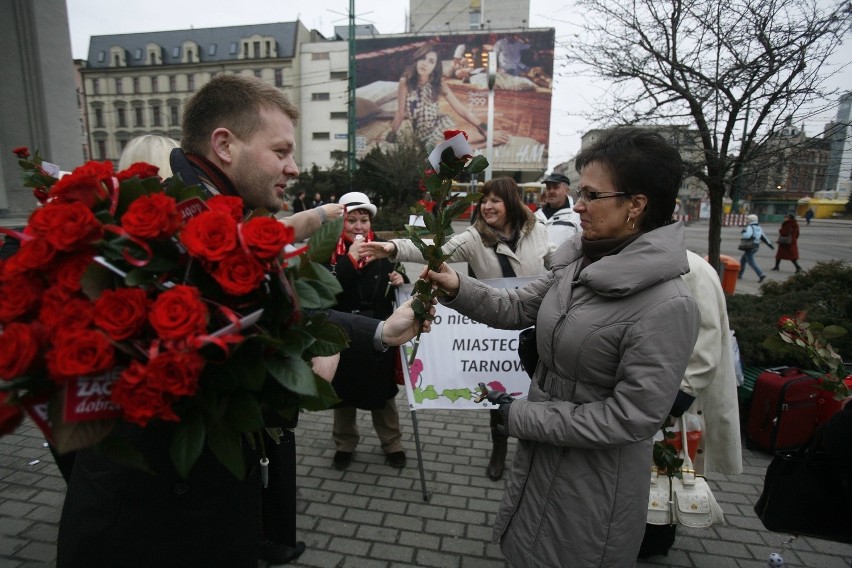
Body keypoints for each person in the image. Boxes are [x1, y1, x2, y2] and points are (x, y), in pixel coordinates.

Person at [57, 74, 434, 568]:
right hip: (155, 531)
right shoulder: (166, 228)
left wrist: (380, 331)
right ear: (225, 145)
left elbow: (283, 314)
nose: (295, 168)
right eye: (280, 151)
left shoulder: (222, 215)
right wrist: (291, 369)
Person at [421, 126, 700, 567]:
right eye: (580, 192)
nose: (578, 205)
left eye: (591, 195)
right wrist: (457, 285)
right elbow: (515, 307)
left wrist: (524, 415)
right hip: (542, 460)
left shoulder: (669, 304)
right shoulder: (579, 262)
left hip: (592, 487)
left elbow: (631, 418)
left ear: (636, 205)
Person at [362, 177, 555, 481]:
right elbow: (434, 249)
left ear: (512, 202)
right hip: (498, 327)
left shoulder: (539, 231)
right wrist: (392, 248)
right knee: (502, 391)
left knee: (539, 390)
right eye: (484, 200)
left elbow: (557, 263)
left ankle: (536, 455)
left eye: (495, 200)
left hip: (536, 324)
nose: (486, 206)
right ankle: (499, 450)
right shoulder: (474, 238)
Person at [639, 250, 743, 558]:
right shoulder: (632, 259)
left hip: (677, 401)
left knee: (667, 470)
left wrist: (679, 396)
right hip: (650, 392)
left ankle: (655, 537)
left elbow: (706, 340)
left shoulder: (691, 268)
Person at [325, 192, 408, 470]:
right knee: (343, 394)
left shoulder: (384, 249)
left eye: (363, 220)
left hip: (377, 330)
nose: (358, 226)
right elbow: (327, 291)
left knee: (382, 393)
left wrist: (400, 278)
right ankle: (344, 444)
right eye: (351, 220)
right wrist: (349, 259)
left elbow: (402, 279)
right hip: (341, 330)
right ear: (341, 222)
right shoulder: (328, 251)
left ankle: (392, 442)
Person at [385, 44, 509, 148]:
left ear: (435, 66)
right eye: (422, 58)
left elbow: (463, 110)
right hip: (421, 133)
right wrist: (392, 134)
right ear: (417, 60)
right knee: (436, 149)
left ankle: (485, 138)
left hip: (440, 126)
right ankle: (481, 145)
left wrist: (487, 131)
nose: (425, 64)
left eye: (431, 61)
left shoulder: (438, 83)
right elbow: (400, 113)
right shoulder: (405, 81)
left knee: (474, 137)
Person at [533, 173, 582, 246]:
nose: (551, 191)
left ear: (566, 190)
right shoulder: (536, 216)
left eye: (555, 187)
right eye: (548, 188)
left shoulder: (577, 216)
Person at [738, 213, 774, 282]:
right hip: (756, 246)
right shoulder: (758, 227)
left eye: (748, 219)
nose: (746, 220)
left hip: (749, 246)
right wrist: (770, 245)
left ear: (751, 220)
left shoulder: (750, 227)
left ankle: (761, 274)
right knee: (743, 260)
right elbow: (763, 237)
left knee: (751, 262)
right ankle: (740, 274)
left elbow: (748, 236)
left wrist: (743, 232)